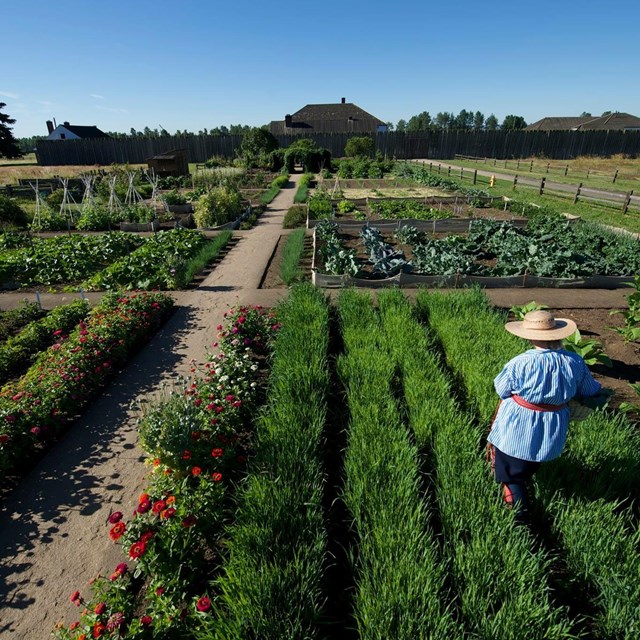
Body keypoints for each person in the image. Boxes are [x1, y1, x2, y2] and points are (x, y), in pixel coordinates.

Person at [487, 309, 605, 522]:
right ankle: (523, 480)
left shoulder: (520, 363)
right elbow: (590, 389)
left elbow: (501, 389)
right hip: (553, 421)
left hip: (519, 423)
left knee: (512, 471)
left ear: (530, 336)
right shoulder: (574, 362)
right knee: (533, 457)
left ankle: (518, 514)